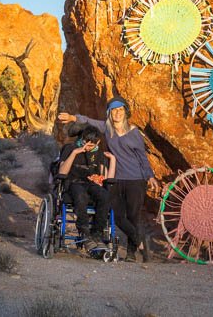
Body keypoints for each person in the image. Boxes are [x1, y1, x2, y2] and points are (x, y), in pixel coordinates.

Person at [58, 96, 159, 262]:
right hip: (116, 179)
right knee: (117, 215)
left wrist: (150, 176)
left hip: (135, 179)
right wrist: (72, 117)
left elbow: (142, 157)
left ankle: (131, 253)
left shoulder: (134, 132)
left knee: (133, 216)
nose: (117, 113)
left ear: (126, 112)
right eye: (113, 110)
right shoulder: (107, 128)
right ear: (109, 113)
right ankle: (140, 242)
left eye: (120, 110)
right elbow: (88, 120)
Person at [57, 125, 116, 251]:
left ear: (98, 142)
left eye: (92, 145)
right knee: (80, 195)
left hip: (91, 184)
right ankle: (84, 232)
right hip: (73, 183)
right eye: (85, 143)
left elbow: (106, 178)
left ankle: (97, 234)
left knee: (105, 196)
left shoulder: (98, 153)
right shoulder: (70, 148)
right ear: (82, 139)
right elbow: (62, 172)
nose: (88, 147)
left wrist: (113, 160)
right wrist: (75, 153)